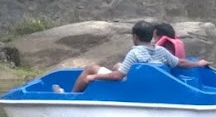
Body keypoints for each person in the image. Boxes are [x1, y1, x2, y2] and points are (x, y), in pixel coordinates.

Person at [72, 20, 206, 93]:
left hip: (130, 85)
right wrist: (198, 63)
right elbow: (181, 63)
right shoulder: (161, 51)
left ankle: (72, 96)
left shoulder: (135, 53)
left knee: (91, 68)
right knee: (118, 66)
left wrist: (93, 77)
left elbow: (118, 76)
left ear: (135, 37)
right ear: (151, 36)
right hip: (150, 85)